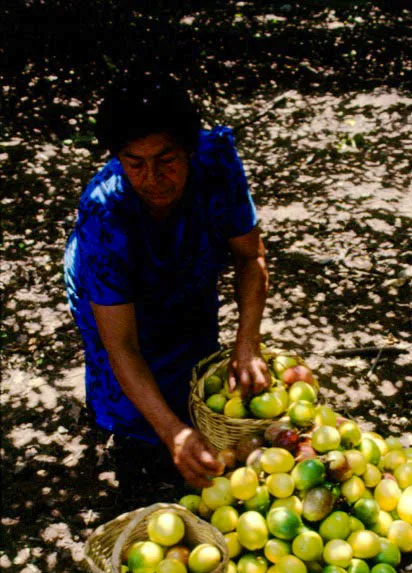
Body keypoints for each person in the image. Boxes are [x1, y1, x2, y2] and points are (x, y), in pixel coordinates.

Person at [64, 75, 270, 490]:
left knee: (191, 355)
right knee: (137, 413)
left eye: (166, 159)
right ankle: (142, 447)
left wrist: (247, 342)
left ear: (189, 148)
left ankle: (182, 425)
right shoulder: (105, 219)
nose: (153, 177)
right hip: (113, 288)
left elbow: (251, 256)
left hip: (185, 259)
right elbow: (119, 343)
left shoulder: (216, 165)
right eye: (134, 162)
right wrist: (171, 432)